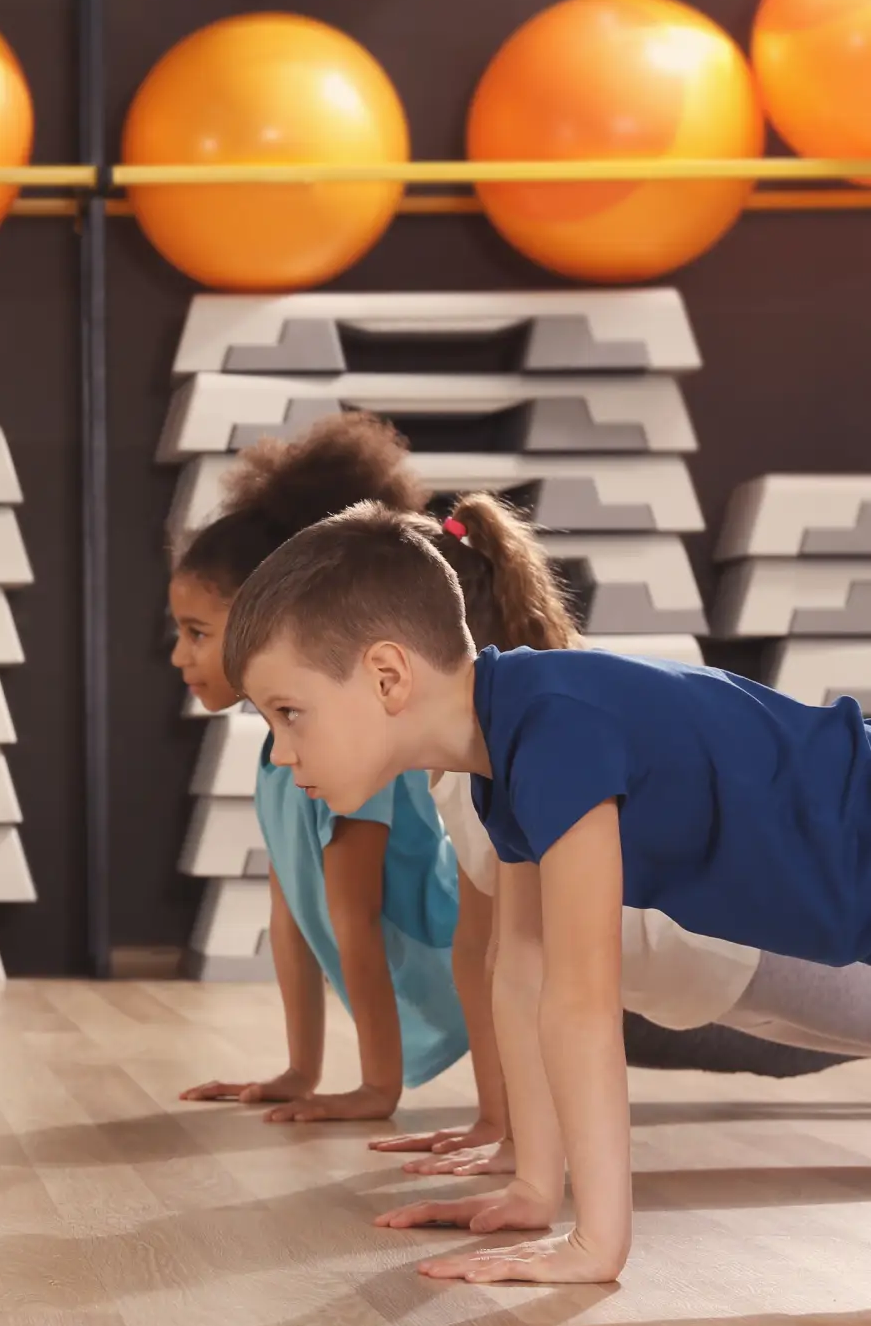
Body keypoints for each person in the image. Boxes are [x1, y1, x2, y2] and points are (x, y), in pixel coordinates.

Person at [220, 493, 871, 1285]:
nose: (283, 753)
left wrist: (596, 1245)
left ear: (387, 674)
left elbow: (581, 1001)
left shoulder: (555, 727)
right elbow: (519, 969)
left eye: (291, 714)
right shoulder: (511, 744)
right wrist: (535, 1186)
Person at [370, 497, 871, 1195]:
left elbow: (524, 970)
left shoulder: (536, 739)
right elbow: (505, 960)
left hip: (744, 951)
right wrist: (507, 1135)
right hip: (711, 973)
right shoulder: (475, 764)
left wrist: (538, 1175)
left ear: (396, 668)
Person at [167, 413, 498, 1144]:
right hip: (481, 996)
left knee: (738, 1023)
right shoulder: (278, 757)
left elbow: (356, 921)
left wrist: (377, 1086)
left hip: (513, 983)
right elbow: (294, 924)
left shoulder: (353, 756)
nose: (178, 657)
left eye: (197, 633)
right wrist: (299, 1071)